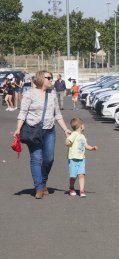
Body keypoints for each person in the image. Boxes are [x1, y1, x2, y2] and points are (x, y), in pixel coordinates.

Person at [13, 70, 72, 199]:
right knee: (36, 159)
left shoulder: (52, 94)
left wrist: (65, 129)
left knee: (49, 159)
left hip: (49, 131)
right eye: (49, 78)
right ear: (41, 79)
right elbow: (22, 113)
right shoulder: (29, 94)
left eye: (51, 78)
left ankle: (43, 181)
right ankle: (39, 187)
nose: (51, 80)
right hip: (33, 130)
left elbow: (57, 114)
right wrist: (18, 129)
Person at [66, 117, 98, 197]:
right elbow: (68, 141)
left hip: (81, 159)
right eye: (83, 124)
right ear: (81, 126)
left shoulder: (83, 136)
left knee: (81, 174)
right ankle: (71, 188)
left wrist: (92, 148)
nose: (84, 126)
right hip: (73, 159)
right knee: (73, 176)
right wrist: (68, 142)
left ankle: (82, 191)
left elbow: (86, 145)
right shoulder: (74, 134)